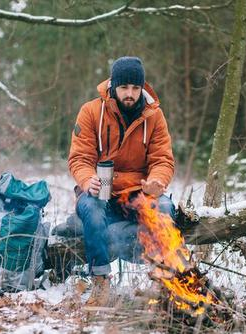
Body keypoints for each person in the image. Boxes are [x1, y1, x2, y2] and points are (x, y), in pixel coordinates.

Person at [68, 56, 175, 306]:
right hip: (100, 189)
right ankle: (101, 282)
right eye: (124, 87)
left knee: (166, 209)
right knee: (91, 210)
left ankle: (164, 279)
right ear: (113, 86)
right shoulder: (91, 111)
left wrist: (157, 182)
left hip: (138, 191)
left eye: (136, 88)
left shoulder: (154, 116)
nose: (130, 93)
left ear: (142, 87)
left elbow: (163, 159)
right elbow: (79, 158)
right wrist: (87, 180)